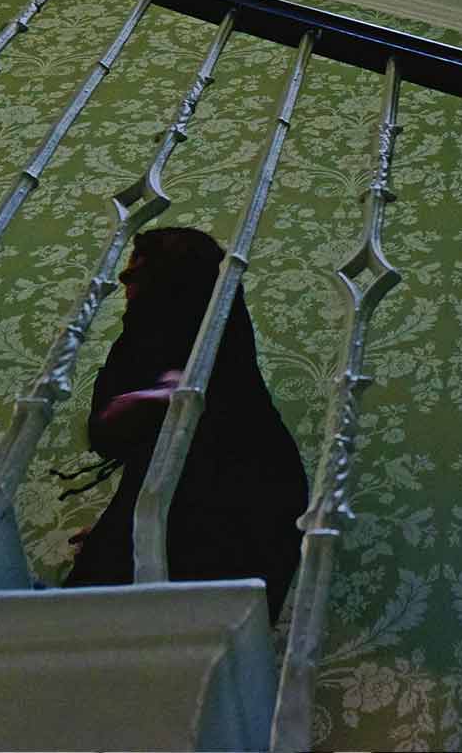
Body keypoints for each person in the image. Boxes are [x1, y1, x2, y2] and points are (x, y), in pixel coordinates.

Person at [61, 226, 308, 617]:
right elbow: (108, 430)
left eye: (137, 275)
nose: (126, 287)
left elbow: (122, 426)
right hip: (226, 508)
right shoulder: (144, 348)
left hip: (242, 506)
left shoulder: (215, 349)